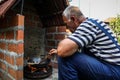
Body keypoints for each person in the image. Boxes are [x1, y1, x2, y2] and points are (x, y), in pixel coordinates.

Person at [49, 5, 120, 80]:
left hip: (114, 70)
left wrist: (61, 50)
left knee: (66, 58)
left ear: (73, 19)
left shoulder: (88, 24)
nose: (67, 27)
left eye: (66, 23)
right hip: (110, 67)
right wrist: (58, 51)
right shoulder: (93, 23)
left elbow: (63, 51)